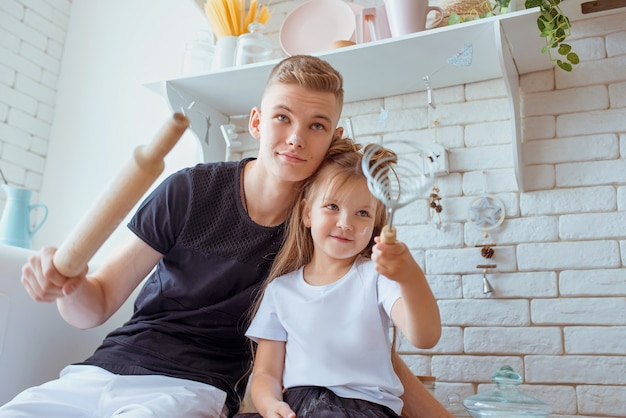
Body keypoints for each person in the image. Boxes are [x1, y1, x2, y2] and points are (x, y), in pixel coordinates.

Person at [3, 55, 452, 418]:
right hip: (105, 369)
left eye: (316, 125)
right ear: (257, 122)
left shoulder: (322, 238)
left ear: (333, 137)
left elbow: (361, 342)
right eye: (282, 117)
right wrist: (69, 281)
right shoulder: (189, 189)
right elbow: (94, 305)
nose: (296, 138)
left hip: (196, 389)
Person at [233, 140, 441, 418]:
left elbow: (425, 336)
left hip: (364, 409)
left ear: (375, 224)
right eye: (332, 206)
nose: (346, 222)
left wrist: (409, 277)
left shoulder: (376, 277)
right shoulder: (280, 291)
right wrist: (271, 405)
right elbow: (266, 374)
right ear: (307, 213)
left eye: (362, 213)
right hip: (298, 406)